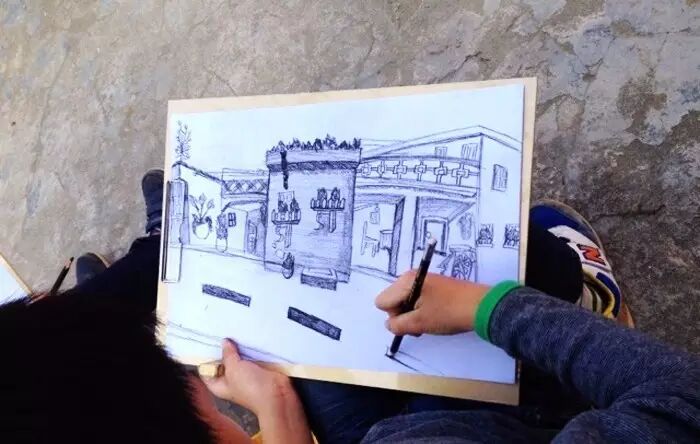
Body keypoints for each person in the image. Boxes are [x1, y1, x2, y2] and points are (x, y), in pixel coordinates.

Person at [1, 170, 698, 443]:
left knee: (304, 356)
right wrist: (492, 309)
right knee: (526, 260)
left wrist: (278, 416)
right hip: (530, 421)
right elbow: (679, 400)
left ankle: (162, 249)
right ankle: (592, 296)